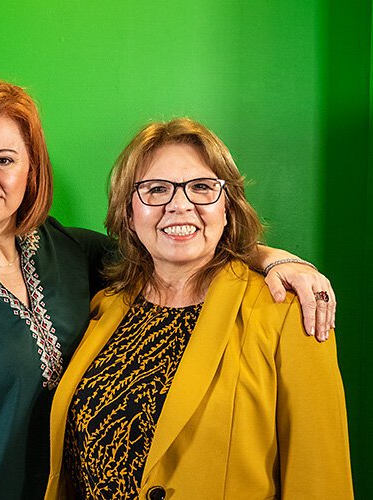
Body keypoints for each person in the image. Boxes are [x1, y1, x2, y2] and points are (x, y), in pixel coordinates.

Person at [0, 81, 337, 500]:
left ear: (32, 170)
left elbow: (172, 241)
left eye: (4, 159)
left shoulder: (70, 250)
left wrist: (274, 258)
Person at [45, 118, 353, 499]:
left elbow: (321, 479)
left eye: (202, 188)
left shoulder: (288, 312)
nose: (179, 205)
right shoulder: (102, 306)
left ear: (227, 207)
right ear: (128, 213)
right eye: (156, 190)